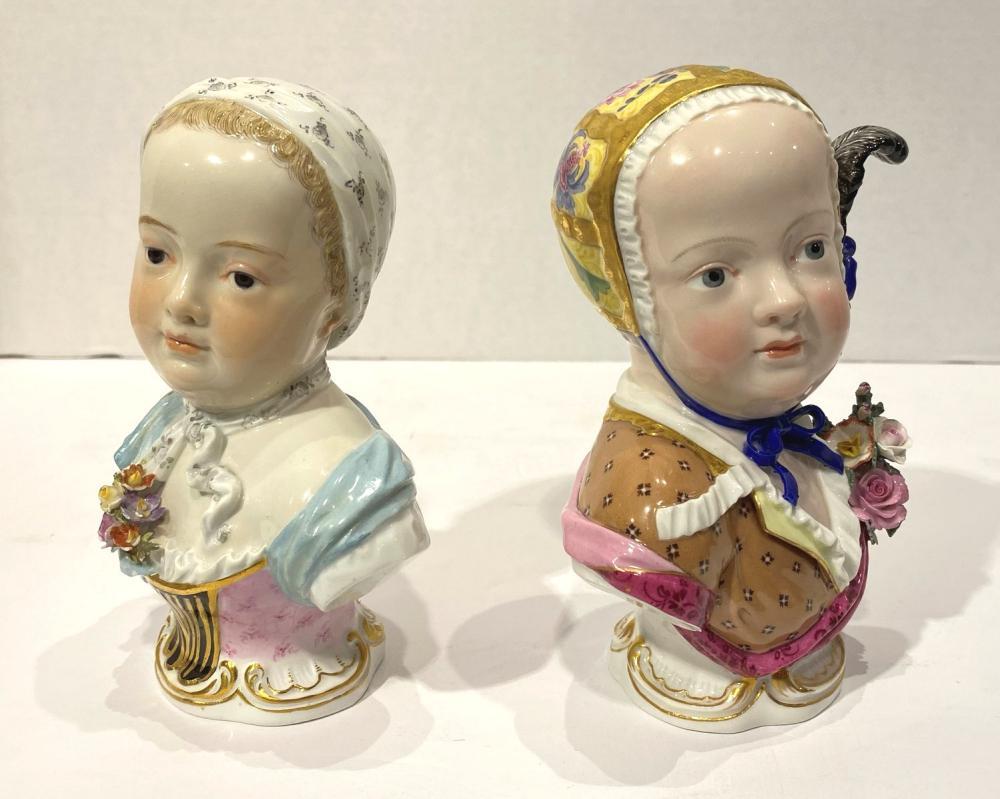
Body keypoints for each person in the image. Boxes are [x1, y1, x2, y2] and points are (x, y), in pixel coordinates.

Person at [552, 66, 906, 731]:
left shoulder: (799, 435)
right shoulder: (649, 488)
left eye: (811, 248)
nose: (784, 299)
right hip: (699, 662)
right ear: (631, 301)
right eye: (716, 274)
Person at [97, 77, 429, 725]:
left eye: (242, 277)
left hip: (308, 671)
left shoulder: (343, 477)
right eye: (159, 252)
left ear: (335, 305)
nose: (181, 301)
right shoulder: (166, 431)